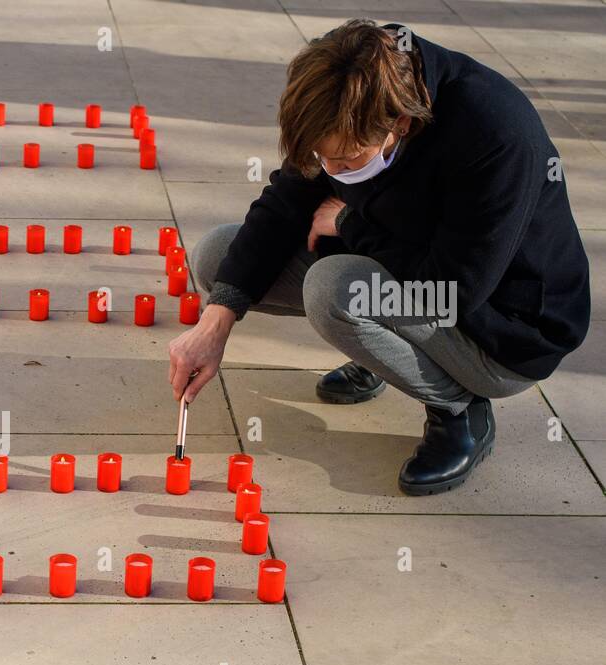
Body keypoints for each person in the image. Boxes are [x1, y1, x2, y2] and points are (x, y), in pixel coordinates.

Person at [175, 19, 590, 495]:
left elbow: (451, 291)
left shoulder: (494, 132)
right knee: (219, 257)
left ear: (403, 124)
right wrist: (215, 324)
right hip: (409, 261)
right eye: (320, 156)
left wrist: (351, 226)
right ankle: (379, 350)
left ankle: (459, 409)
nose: (331, 172)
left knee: (335, 291)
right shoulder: (343, 85)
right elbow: (285, 203)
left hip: (503, 328)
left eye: (348, 161)